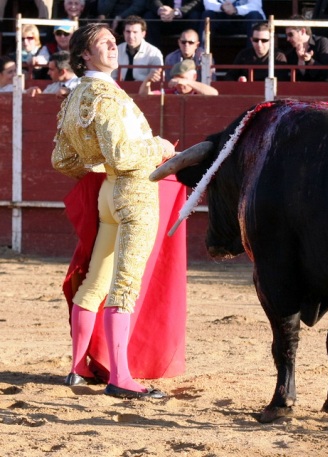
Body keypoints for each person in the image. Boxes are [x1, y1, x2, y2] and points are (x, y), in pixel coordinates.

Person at [51, 22, 176, 399]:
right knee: (124, 286)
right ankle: (121, 378)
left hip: (108, 192)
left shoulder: (75, 96)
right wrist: (162, 148)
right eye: (102, 43)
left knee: (94, 283)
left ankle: (77, 369)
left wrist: (96, 167)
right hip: (134, 193)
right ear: (84, 54)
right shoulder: (107, 97)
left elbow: (62, 159)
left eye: (112, 40)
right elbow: (123, 155)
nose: (112, 45)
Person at [113, 15, 163, 82]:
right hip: (119, 89)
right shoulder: (117, 50)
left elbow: (157, 79)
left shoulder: (154, 52)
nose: (131, 36)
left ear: (143, 34)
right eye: (128, 32)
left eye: (135, 32)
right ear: (123, 33)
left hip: (144, 90)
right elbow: (112, 76)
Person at [284, 16, 328, 82]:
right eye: (286, 35)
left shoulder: (321, 42)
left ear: (302, 31)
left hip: (322, 89)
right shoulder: (291, 52)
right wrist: (300, 60)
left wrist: (310, 61)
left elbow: (327, 73)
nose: (288, 39)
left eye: (290, 34)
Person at [201, 0, 266, 46]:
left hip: (243, 21)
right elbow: (208, 4)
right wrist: (222, 7)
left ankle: (252, 59)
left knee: (255, 15)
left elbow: (255, 5)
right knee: (207, 15)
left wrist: (235, 10)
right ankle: (202, 55)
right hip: (222, 20)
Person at [139, 58, 218, 94]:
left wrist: (186, 82)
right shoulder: (170, 93)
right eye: (176, 78)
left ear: (194, 77)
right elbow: (145, 97)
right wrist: (147, 80)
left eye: (182, 78)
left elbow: (214, 94)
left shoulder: (198, 92)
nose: (179, 83)